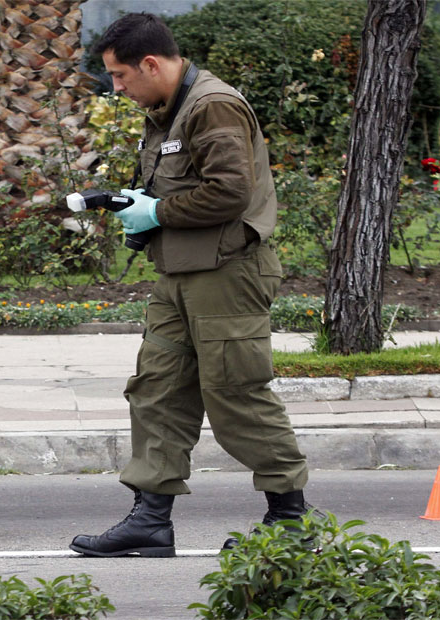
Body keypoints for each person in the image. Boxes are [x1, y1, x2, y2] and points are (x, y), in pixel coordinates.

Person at [70, 13, 310, 557]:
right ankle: (150, 520)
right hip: (180, 274)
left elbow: (228, 193)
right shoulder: (166, 110)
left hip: (227, 274)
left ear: (150, 64)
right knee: (158, 391)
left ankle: (291, 519)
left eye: (120, 75)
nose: (117, 87)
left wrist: (158, 211)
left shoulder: (212, 106)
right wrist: (144, 210)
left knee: (235, 392)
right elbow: (180, 189)